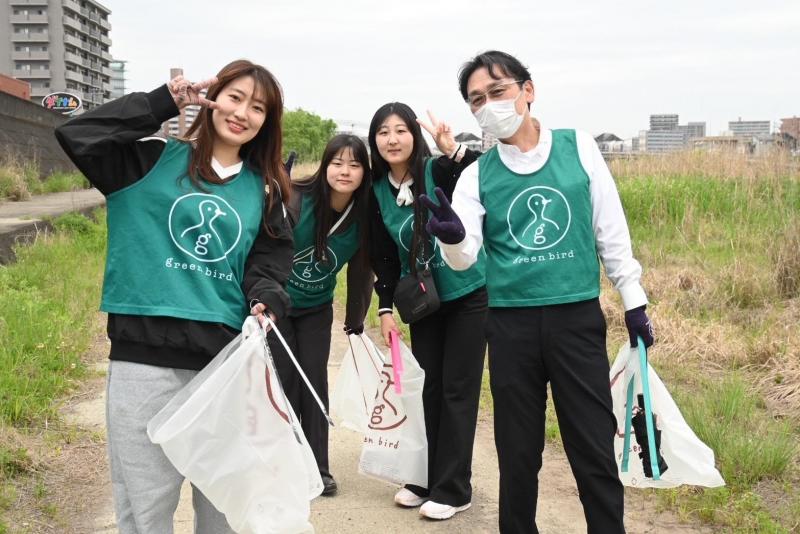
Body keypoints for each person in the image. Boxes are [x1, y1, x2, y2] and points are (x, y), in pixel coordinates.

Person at [420, 50, 655, 534]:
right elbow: (466, 256)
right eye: (476, 100)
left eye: (498, 91)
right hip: (510, 326)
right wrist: (452, 238)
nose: (489, 105)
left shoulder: (579, 148)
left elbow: (609, 230)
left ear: (528, 90)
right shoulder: (475, 176)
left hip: (576, 320)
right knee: (518, 454)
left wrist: (633, 301)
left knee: (592, 449)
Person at [55, 59, 294, 533]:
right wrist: (164, 100)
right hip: (142, 361)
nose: (243, 112)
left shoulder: (266, 190)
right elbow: (77, 135)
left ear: (267, 123)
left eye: (258, 108)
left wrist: (266, 299)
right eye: (235, 97)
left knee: (224, 504)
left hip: (223, 367)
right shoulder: (149, 159)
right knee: (145, 510)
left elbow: (267, 266)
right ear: (212, 97)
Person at [368, 103, 488, 520]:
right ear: (375, 140)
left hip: (468, 293)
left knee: (458, 390)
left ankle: (454, 489)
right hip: (422, 300)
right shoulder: (377, 189)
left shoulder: (438, 170)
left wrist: (452, 149)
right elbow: (382, 257)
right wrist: (384, 308)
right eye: (383, 132)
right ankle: (424, 478)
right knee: (426, 390)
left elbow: (482, 174)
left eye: (401, 130)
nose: (393, 139)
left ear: (413, 137)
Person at [268, 134, 373, 496]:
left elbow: (362, 271)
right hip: (277, 306)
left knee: (314, 381)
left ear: (364, 172)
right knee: (283, 380)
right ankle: (282, 464)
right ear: (326, 165)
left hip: (316, 308)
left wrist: (356, 319)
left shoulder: (362, 216)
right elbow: (264, 247)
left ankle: (317, 467)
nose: (345, 171)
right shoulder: (296, 198)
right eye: (337, 162)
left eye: (355, 164)